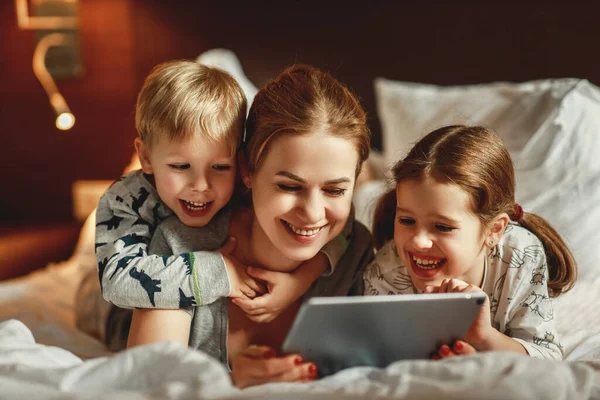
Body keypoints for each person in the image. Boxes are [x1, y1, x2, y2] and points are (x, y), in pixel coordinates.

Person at [126, 64, 375, 388]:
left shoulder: (356, 250)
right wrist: (230, 382)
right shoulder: (177, 246)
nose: (313, 214)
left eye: (335, 190)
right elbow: (145, 386)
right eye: (289, 186)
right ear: (246, 170)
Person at [94, 60, 347, 350]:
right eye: (180, 166)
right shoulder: (124, 201)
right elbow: (116, 282)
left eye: (219, 167)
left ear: (240, 161)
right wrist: (219, 270)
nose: (201, 186)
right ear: (147, 157)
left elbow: (343, 227)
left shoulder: (243, 181)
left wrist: (302, 280)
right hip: (119, 310)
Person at [363, 125, 577, 360]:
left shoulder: (521, 255)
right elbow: (373, 356)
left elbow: (549, 358)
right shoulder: (386, 272)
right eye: (406, 220)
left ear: (494, 230)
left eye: (442, 227)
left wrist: (485, 338)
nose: (419, 241)